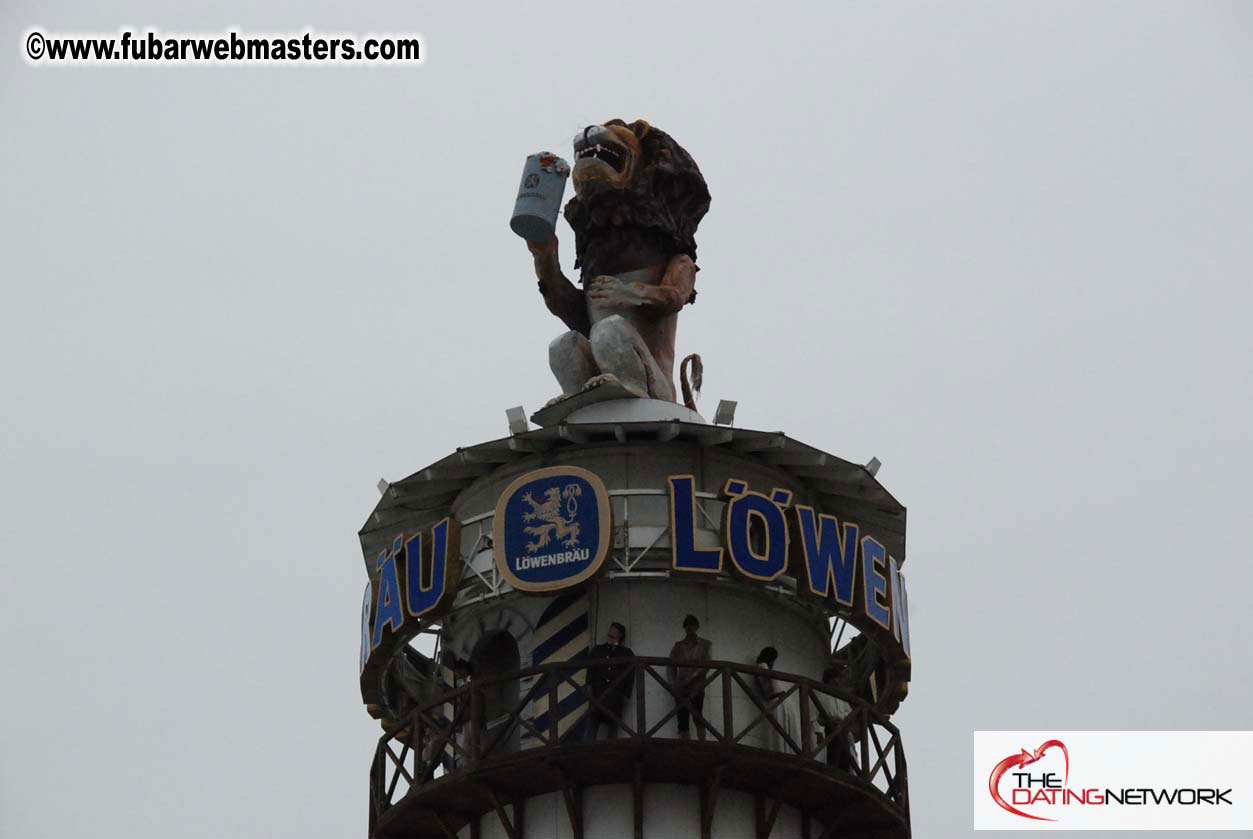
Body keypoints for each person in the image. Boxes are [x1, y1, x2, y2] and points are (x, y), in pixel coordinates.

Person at [584, 621, 635, 741]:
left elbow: (630, 675)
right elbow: (590, 670)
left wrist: (625, 694)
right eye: (610, 630)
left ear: (620, 635)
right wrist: (589, 686)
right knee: (590, 733)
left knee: (612, 736)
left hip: (615, 699)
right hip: (597, 696)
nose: (610, 633)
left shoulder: (626, 653)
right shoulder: (597, 650)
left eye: (613, 631)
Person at [667, 614, 713, 740]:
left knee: (698, 717)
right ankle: (686, 749)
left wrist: (693, 676)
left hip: (697, 686)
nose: (689, 629)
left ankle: (702, 746)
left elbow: (707, 664)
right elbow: (669, 665)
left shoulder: (705, 645)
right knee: (682, 720)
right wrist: (672, 684)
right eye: (687, 626)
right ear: (684, 628)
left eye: (692, 626)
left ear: (696, 627)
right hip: (681, 687)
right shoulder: (678, 646)